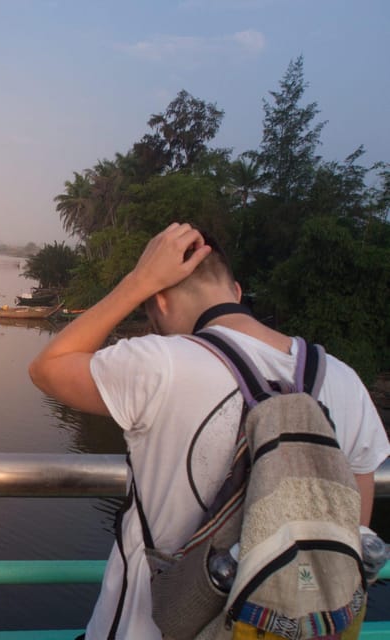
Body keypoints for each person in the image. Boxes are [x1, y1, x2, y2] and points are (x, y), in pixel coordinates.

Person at [28, 223, 389, 639]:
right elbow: (348, 528)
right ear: (236, 292)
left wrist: (137, 282)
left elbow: (47, 368)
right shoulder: (343, 379)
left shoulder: (159, 364)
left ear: (158, 301)